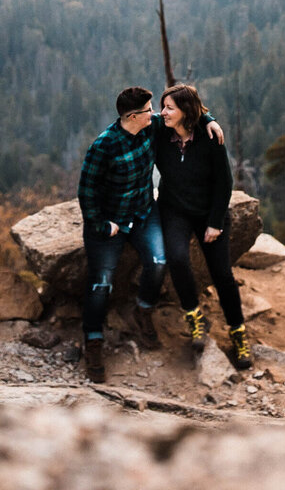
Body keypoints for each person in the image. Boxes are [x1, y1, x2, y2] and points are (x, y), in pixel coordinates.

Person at [77, 85, 223, 383]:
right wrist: (101, 225)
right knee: (101, 283)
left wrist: (209, 120)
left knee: (158, 262)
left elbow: (188, 114)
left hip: (144, 213)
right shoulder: (103, 146)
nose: (155, 113)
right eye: (148, 109)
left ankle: (143, 311)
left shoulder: (150, 126)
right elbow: (86, 191)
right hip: (111, 222)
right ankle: (93, 341)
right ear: (132, 116)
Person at [156, 82, 252, 370]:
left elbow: (225, 182)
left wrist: (214, 223)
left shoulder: (210, 140)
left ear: (186, 111)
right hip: (174, 210)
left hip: (209, 212)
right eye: (163, 107)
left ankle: (238, 333)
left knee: (222, 274)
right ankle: (194, 317)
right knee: (176, 258)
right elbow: (131, 119)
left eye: (169, 108)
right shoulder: (160, 131)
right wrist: (209, 117)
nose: (163, 113)